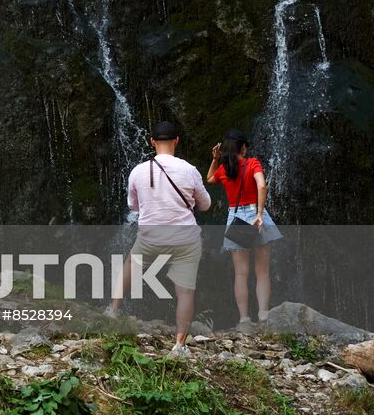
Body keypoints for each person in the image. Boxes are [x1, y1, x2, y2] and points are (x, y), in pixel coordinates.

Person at [107, 121, 212, 357]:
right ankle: (179, 345)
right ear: (177, 140)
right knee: (185, 292)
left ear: (152, 141)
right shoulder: (189, 170)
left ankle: (113, 310)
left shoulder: (138, 171)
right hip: (185, 237)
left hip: (151, 235)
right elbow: (205, 205)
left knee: (131, 265)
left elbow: (133, 205)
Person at [207, 129, 283, 328]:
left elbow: (209, 179)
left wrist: (215, 160)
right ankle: (264, 315)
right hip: (255, 215)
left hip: (236, 217)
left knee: (241, 273)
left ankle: (244, 319)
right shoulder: (252, 163)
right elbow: (262, 185)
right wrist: (259, 214)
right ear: (243, 147)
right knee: (262, 271)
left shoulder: (224, 169)